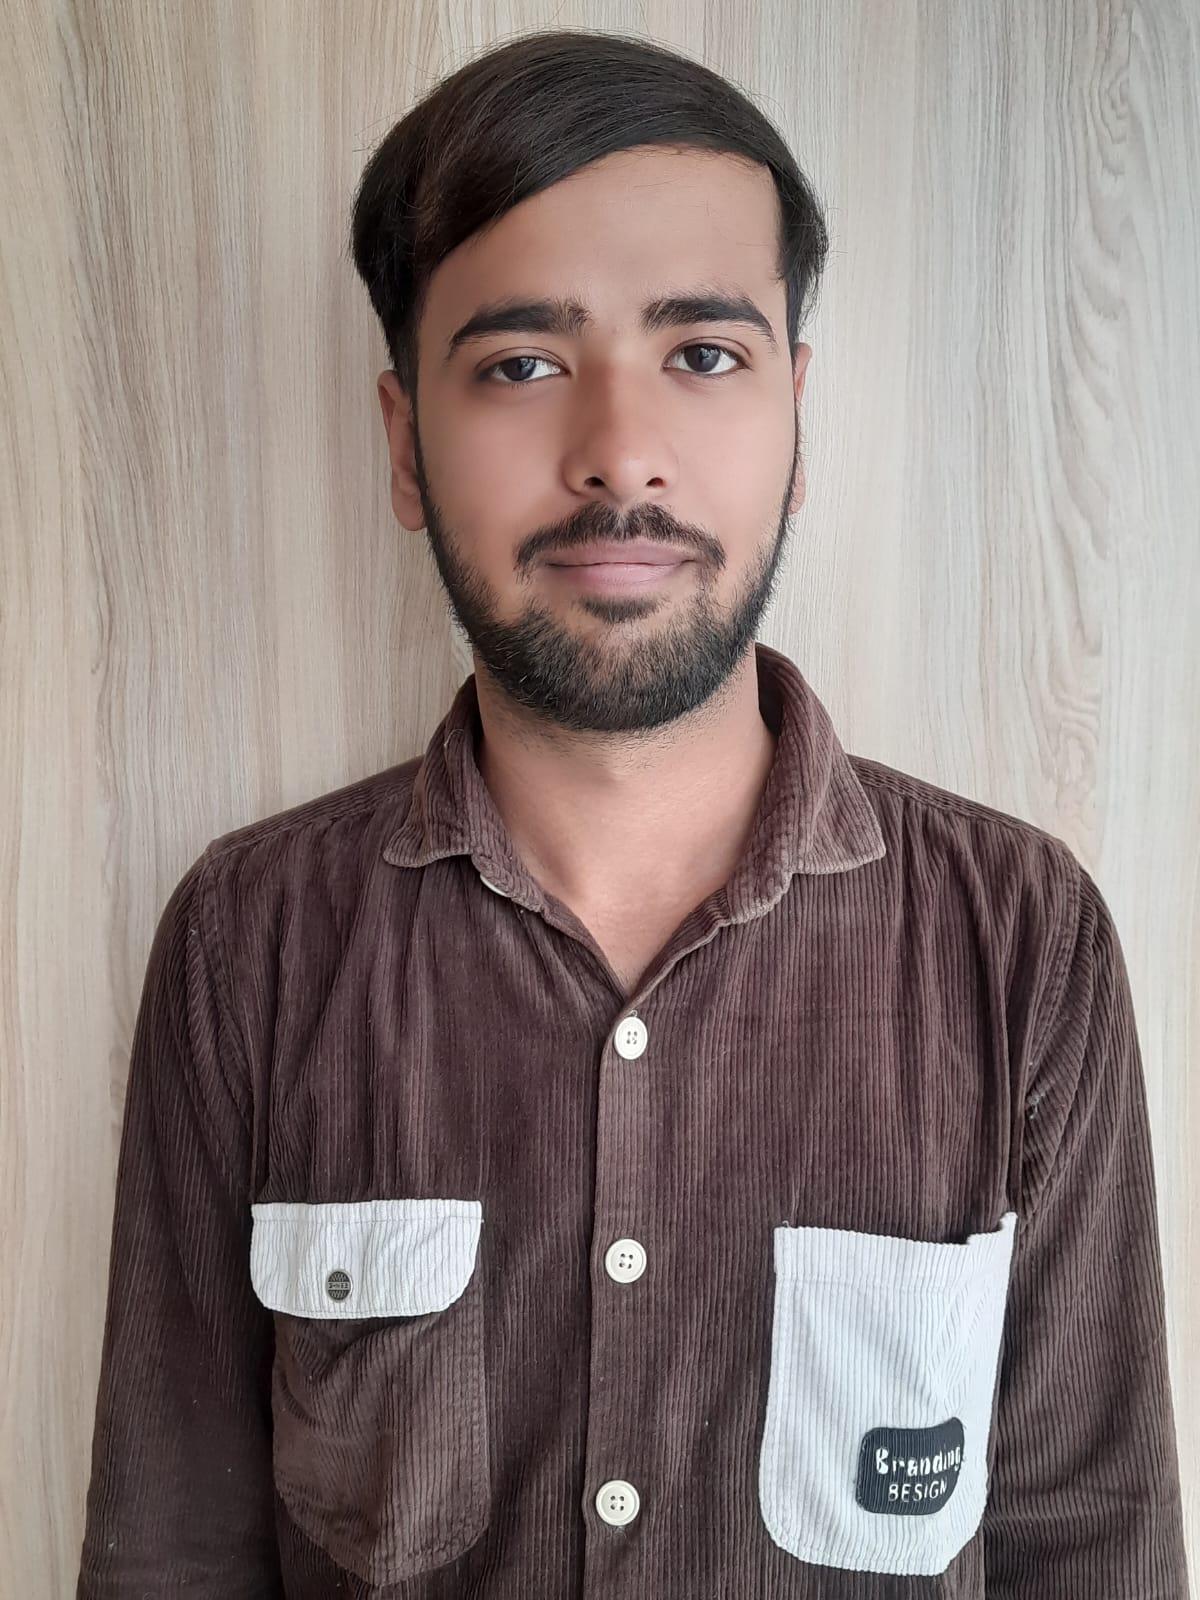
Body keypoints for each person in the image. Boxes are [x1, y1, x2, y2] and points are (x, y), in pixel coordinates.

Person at [76, 27, 1189, 1599]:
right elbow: (170, 1553)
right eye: (521, 365)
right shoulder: (246, 943)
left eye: (704, 355)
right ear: (404, 444)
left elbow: (1092, 1542)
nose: (617, 456)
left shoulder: (1020, 939)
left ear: (795, 422)